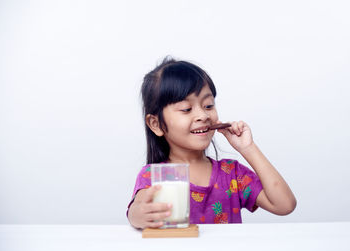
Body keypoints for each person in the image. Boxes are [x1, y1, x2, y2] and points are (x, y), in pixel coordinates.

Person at [127, 57, 296, 229]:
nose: (204, 115)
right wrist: (137, 216)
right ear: (156, 124)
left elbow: (285, 205)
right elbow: (137, 210)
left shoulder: (232, 174)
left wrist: (248, 148)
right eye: (186, 109)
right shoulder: (155, 176)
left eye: (208, 105)